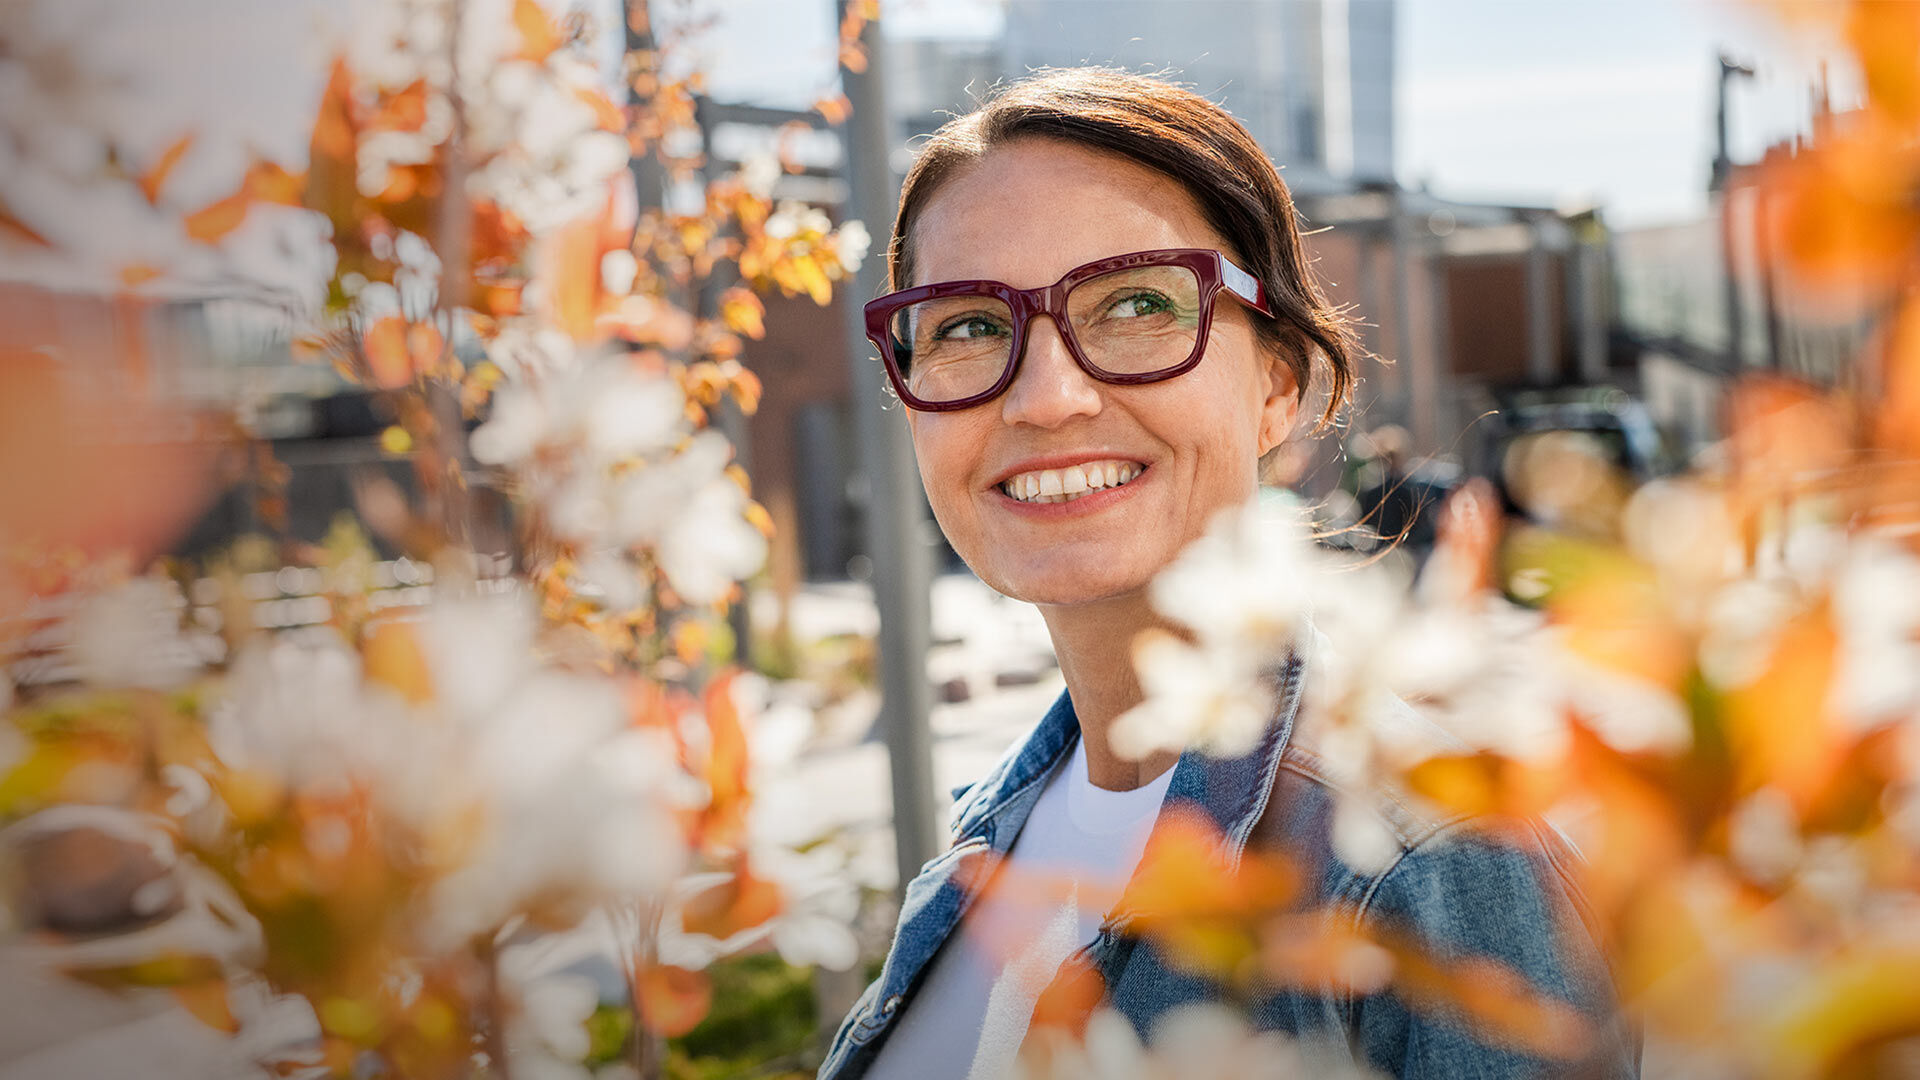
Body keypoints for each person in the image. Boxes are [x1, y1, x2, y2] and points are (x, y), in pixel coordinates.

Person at [818, 68, 1635, 1080]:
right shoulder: (994, 835)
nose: (1047, 396)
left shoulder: (1434, 859)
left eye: (1135, 304)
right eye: (969, 326)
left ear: (1277, 386)